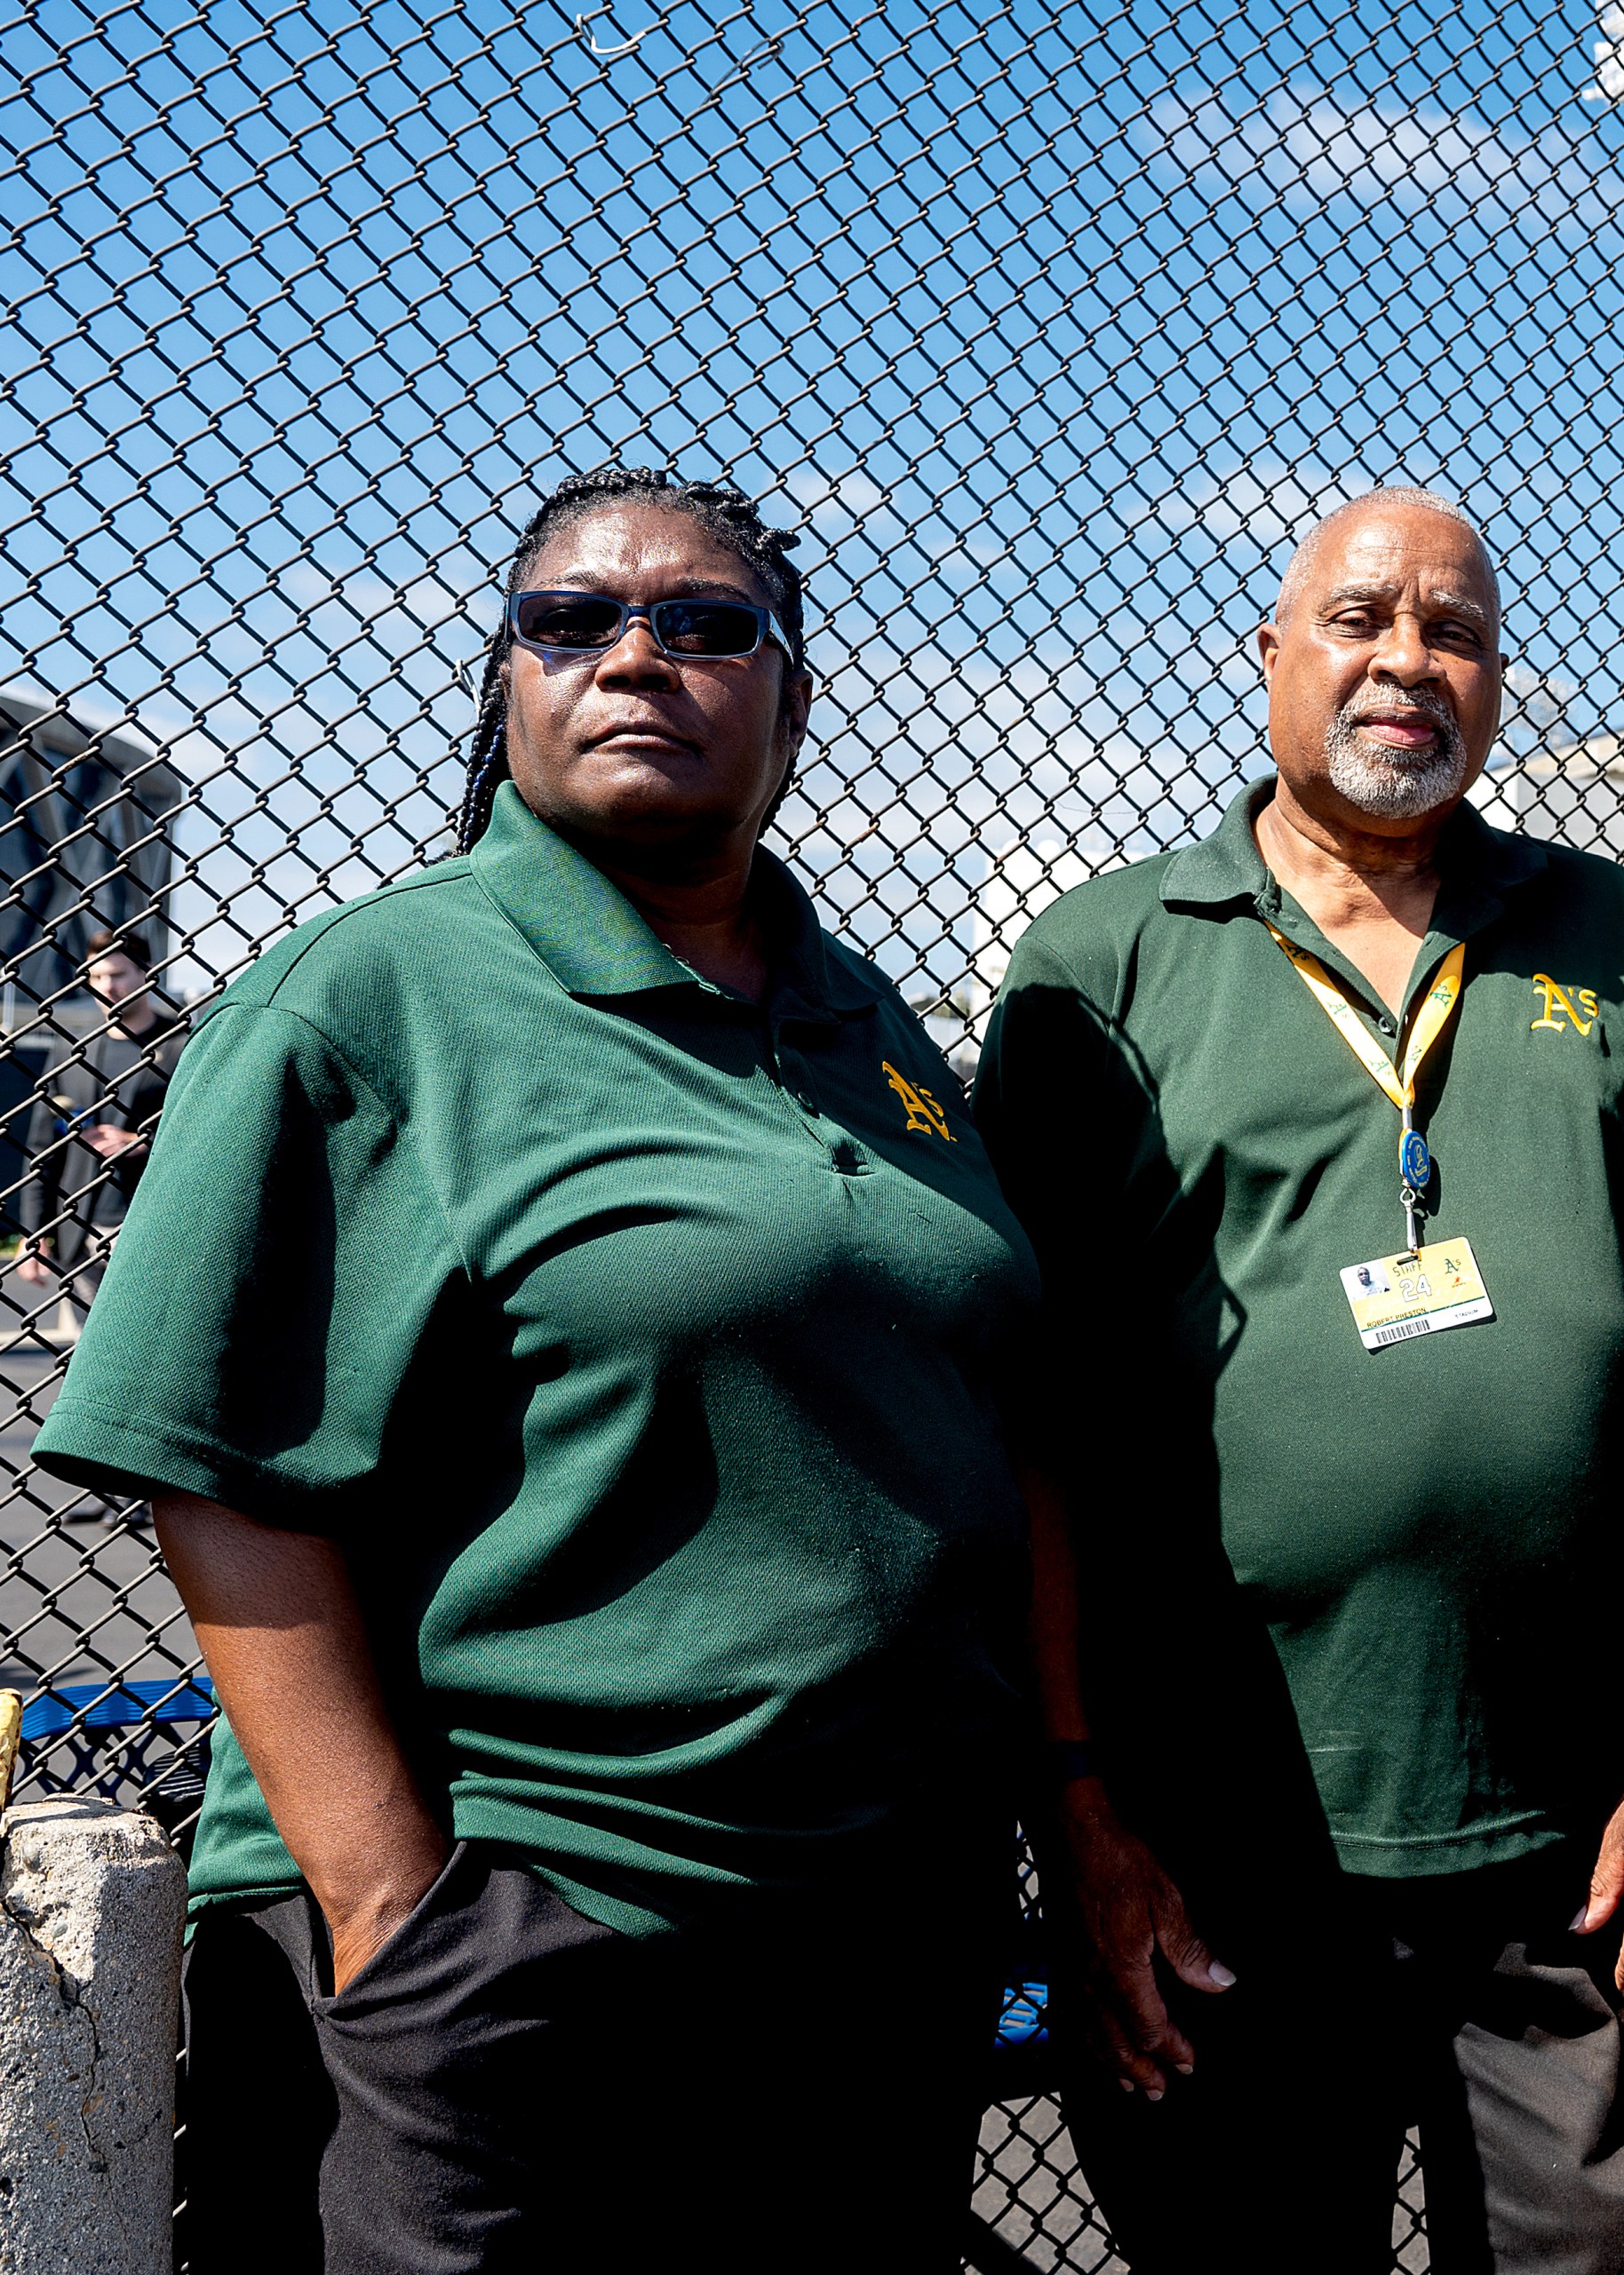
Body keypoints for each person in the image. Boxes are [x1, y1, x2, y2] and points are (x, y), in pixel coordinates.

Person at [34, 467, 1038, 2271]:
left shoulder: (867, 1019)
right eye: (570, 621)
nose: (636, 655)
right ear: (507, 683)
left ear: (792, 691)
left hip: (867, 1935)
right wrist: (395, 1914)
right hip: (531, 1932)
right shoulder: (371, 994)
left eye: (705, 621)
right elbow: (215, 1471)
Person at [975, 487, 1624, 2268]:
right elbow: (1031, 1425)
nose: (1411, 658)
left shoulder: (1616, 940)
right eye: (1361, 617)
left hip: (1590, 1855)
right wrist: (1085, 1811)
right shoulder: (1101, 967)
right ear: (1267, 656)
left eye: (1458, 627)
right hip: (1222, 1865)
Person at [12, 926, 178, 1321]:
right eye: (97, 976)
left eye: (118, 975)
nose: (108, 986)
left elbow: (208, 1132)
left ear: (147, 973)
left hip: (153, 1229)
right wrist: (32, 1233)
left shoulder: (181, 1046)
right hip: (80, 1235)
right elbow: (42, 1150)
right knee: (88, 1359)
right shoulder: (72, 1052)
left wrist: (146, 1142)